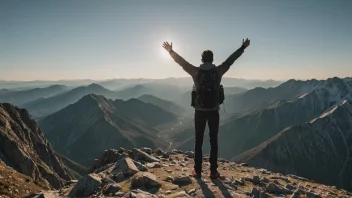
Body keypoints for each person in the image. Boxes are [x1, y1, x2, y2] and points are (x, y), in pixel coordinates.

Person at [163, 38, 250, 179]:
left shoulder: (195, 72)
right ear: (212, 59)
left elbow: (182, 62)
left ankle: (197, 171)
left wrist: (170, 51)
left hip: (199, 111)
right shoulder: (218, 71)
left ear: (202, 59)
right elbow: (230, 60)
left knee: (198, 141)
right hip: (214, 111)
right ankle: (213, 172)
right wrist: (242, 47)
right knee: (213, 141)